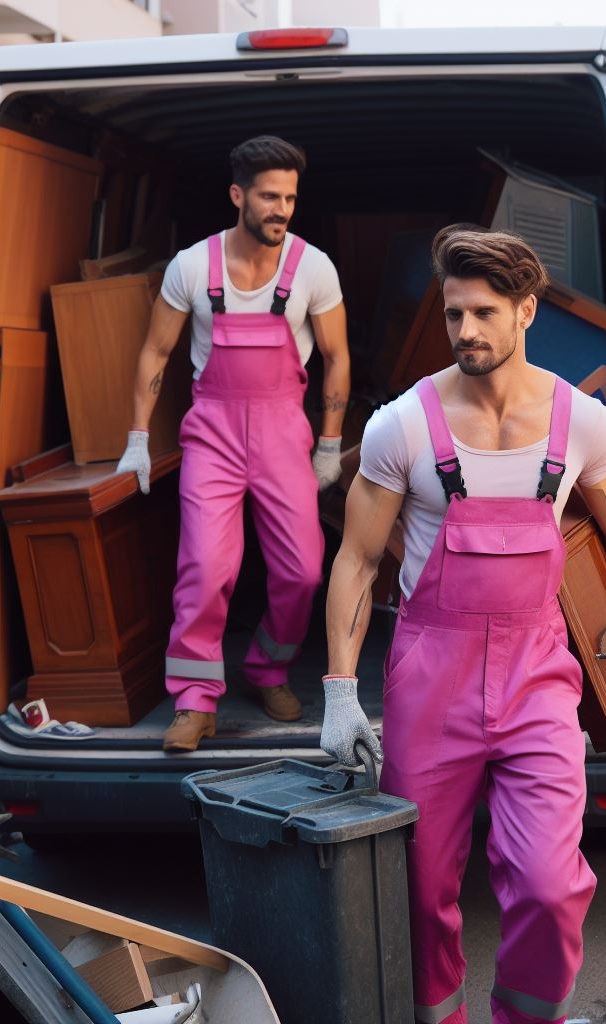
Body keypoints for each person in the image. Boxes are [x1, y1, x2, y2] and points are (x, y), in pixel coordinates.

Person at [320, 226, 606, 1024]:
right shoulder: (401, 427)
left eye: (484, 313)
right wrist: (339, 694)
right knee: (416, 890)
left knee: (552, 889)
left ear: (526, 310)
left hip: (537, 678)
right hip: (430, 679)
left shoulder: (580, 423)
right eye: (453, 315)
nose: (466, 332)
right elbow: (354, 562)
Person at [117, 135, 350, 753]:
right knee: (204, 568)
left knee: (302, 572)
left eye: (291, 198)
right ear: (237, 195)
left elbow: (336, 355)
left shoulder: (313, 268)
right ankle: (195, 701)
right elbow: (155, 352)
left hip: (282, 433)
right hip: (213, 435)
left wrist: (330, 442)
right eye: (270, 196)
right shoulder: (193, 267)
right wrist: (137, 438)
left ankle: (267, 667)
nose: (282, 209)